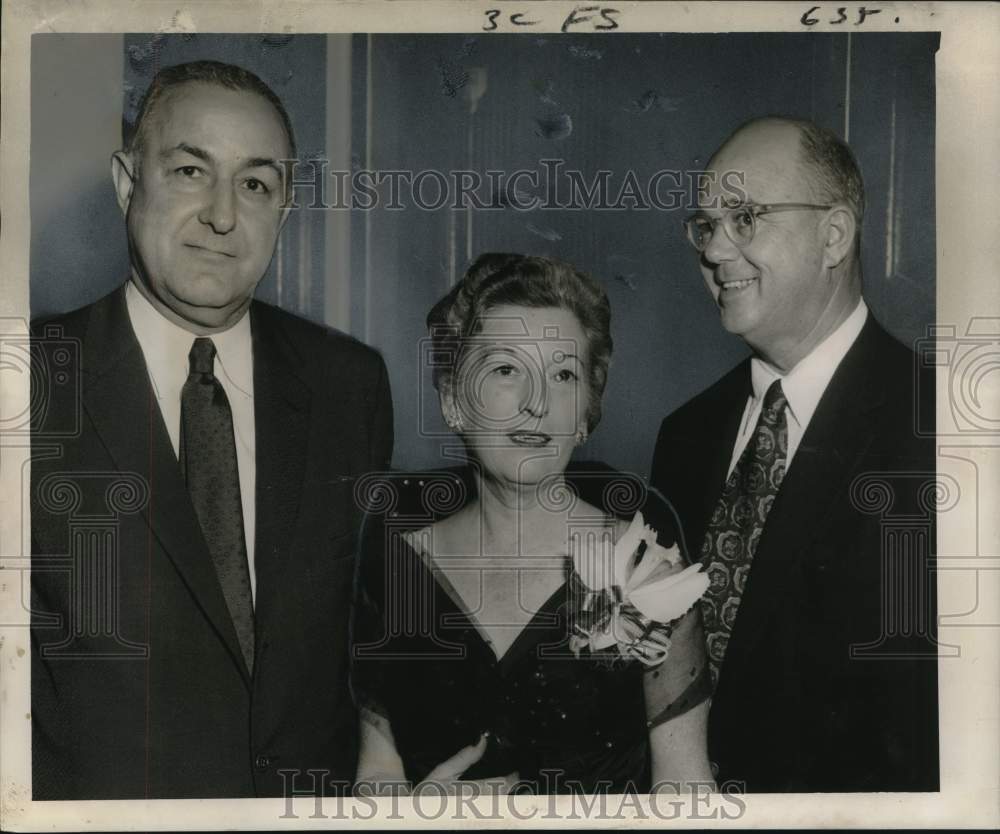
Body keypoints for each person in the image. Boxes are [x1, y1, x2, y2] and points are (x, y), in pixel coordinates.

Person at [30, 60, 393, 799]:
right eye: (192, 171)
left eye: (255, 184)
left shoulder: (348, 382)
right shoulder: (29, 381)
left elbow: (370, 626)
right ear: (129, 183)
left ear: (285, 210)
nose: (223, 215)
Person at [351, 253, 713, 795]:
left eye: (563, 375)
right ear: (453, 400)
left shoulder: (648, 568)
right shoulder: (396, 565)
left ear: (586, 413)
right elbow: (376, 773)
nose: (537, 404)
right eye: (505, 369)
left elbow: (686, 792)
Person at [650, 117, 938, 792]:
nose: (716, 250)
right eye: (705, 225)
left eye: (745, 217)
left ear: (833, 235)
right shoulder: (686, 433)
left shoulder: (939, 428)